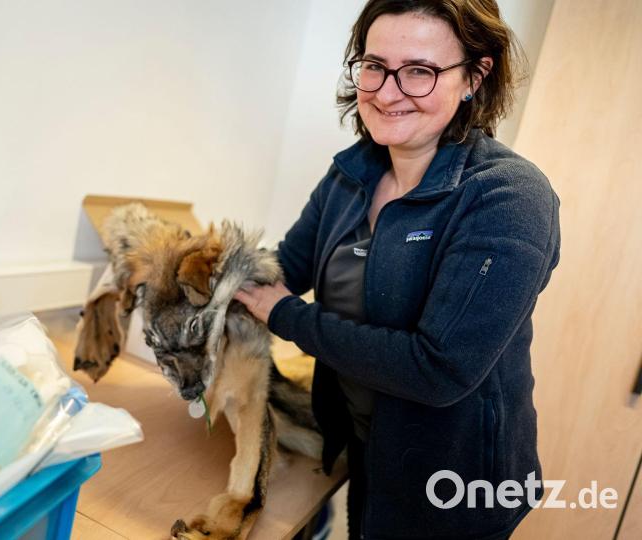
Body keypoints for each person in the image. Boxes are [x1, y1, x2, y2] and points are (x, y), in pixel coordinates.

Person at [233, 1, 560, 538]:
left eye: (419, 71)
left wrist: (286, 317)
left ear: (475, 76)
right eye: (375, 65)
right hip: (368, 449)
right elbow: (284, 269)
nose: (386, 92)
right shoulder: (351, 174)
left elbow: (438, 370)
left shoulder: (507, 197)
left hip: (455, 486)